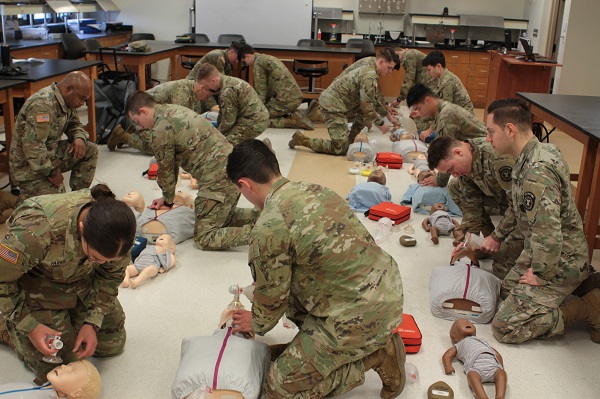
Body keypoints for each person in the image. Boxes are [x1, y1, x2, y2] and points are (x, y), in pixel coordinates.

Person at [226, 140, 406, 399]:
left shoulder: (268, 228)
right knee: (292, 288)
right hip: (386, 292)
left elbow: (271, 303)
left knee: (277, 389)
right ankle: (321, 350)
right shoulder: (315, 189)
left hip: (359, 315)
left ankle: (376, 354)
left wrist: (255, 321)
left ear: (244, 184)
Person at [485, 98, 598, 344]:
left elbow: (549, 233)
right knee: (505, 291)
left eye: (491, 131)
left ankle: (587, 307)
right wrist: (497, 237)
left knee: (505, 328)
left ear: (510, 129)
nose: (488, 139)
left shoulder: (537, 171)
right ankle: (586, 282)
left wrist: (541, 274)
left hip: (559, 259)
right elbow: (520, 214)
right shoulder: (538, 151)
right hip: (541, 249)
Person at [0, 184, 136, 384]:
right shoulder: (35, 231)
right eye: (96, 257)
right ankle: (6, 327)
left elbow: (109, 277)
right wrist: (31, 327)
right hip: (38, 286)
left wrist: (92, 322)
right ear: (82, 230)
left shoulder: (119, 234)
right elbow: (2, 280)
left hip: (81, 281)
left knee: (112, 343)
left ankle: (70, 320)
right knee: (59, 364)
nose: (102, 263)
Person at [126, 91, 258, 250]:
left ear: (143, 111)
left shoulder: (160, 129)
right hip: (232, 168)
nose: (140, 126)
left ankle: (264, 232)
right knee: (223, 218)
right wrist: (167, 198)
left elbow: (166, 169)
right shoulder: (173, 110)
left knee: (204, 237)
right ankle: (270, 216)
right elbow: (172, 163)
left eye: (137, 120)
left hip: (217, 178)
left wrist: (168, 201)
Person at [427, 136, 524, 280]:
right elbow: (471, 204)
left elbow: (519, 205)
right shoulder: (465, 165)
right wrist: (469, 241)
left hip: (524, 209)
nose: (453, 174)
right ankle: (487, 242)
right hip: (500, 198)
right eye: (449, 172)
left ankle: (499, 241)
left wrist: (497, 237)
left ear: (458, 152)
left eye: (452, 169)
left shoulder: (497, 159)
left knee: (502, 270)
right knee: (454, 186)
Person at [9, 71, 97, 204]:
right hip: (29, 167)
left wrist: (79, 137)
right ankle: (13, 201)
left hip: (49, 155)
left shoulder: (66, 101)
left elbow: (75, 124)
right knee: (57, 205)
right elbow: (33, 147)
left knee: (90, 149)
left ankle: (77, 201)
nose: (82, 104)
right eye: (82, 98)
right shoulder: (42, 105)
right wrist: (52, 172)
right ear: (68, 89)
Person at [288, 50, 397, 155]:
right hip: (332, 106)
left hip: (342, 103)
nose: (390, 71)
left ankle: (350, 141)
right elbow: (367, 107)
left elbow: (374, 100)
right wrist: (381, 124)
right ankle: (302, 140)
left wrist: (387, 115)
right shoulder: (369, 75)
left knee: (364, 116)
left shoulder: (371, 66)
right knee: (339, 149)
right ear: (381, 62)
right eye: (389, 68)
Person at [407, 84, 486, 187]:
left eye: (419, 108)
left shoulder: (446, 114)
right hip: (476, 153)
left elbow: (443, 152)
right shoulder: (444, 108)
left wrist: (439, 181)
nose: (420, 113)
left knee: (459, 188)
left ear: (427, 100)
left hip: (483, 158)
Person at [107, 79, 218, 152]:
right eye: (208, 95)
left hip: (153, 116)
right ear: (202, 88)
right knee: (160, 148)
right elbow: (178, 126)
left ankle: (134, 133)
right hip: (141, 115)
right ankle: (122, 136)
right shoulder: (182, 93)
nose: (208, 99)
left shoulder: (192, 90)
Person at [237, 44, 313, 130]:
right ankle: (301, 114)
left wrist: (255, 111)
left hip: (285, 100)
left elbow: (261, 92)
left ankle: (293, 122)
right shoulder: (266, 58)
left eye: (244, 62)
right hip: (294, 97)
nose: (246, 65)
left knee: (258, 119)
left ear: (247, 56)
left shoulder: (258, 63)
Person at [195, 63, 269, 145]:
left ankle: (263, 149)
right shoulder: (228, 82)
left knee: (225, 145)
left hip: (254, 121)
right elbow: (222, 115)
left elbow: (228, 121)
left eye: (206, 87)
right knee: (228, 137)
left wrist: (217, 135)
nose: (208, 90)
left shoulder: (227, 91)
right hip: (252, 118)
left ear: (213, 81)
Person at [442, 318, 507, 399]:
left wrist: (500, 367)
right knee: (471, 376)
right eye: (463, 323)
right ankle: (483, 397)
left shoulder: (482, 341)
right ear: (453, 335)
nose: (467, 322)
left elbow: (496, 354)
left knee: (502, 374)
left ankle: (500, 396)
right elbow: (447, 355)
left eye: (469, 322)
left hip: (493, 366)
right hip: (476, 368)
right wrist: (447, 365)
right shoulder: (460, 344)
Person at [420, 51, 474, 140]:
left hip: (464, 122)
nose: (428, 73)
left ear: (438, 66)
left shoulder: (447, 83)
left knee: (440, 143)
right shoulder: (444, 78)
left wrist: (429, 131)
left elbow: (444, 111)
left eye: (429, 70)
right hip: (458, 116)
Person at [0, 360, 102, 398]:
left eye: (71, 371)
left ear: (76, 393)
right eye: (68, 364)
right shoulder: (42, 386)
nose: (63, 366)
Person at [122, 191, 195, 244]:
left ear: (190, 206)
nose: (179, 191)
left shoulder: (188, 212)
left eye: (182, 192)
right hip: (138, 231)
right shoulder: (158, 205)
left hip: (168, 236)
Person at [390, 48, 434, 132]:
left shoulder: (409, 56)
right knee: (416, 115)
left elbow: (408, 80)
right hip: (427, 86)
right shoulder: (410, 54)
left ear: (396, 53)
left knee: (417, 122)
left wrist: (399, 99)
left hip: (430, 87)